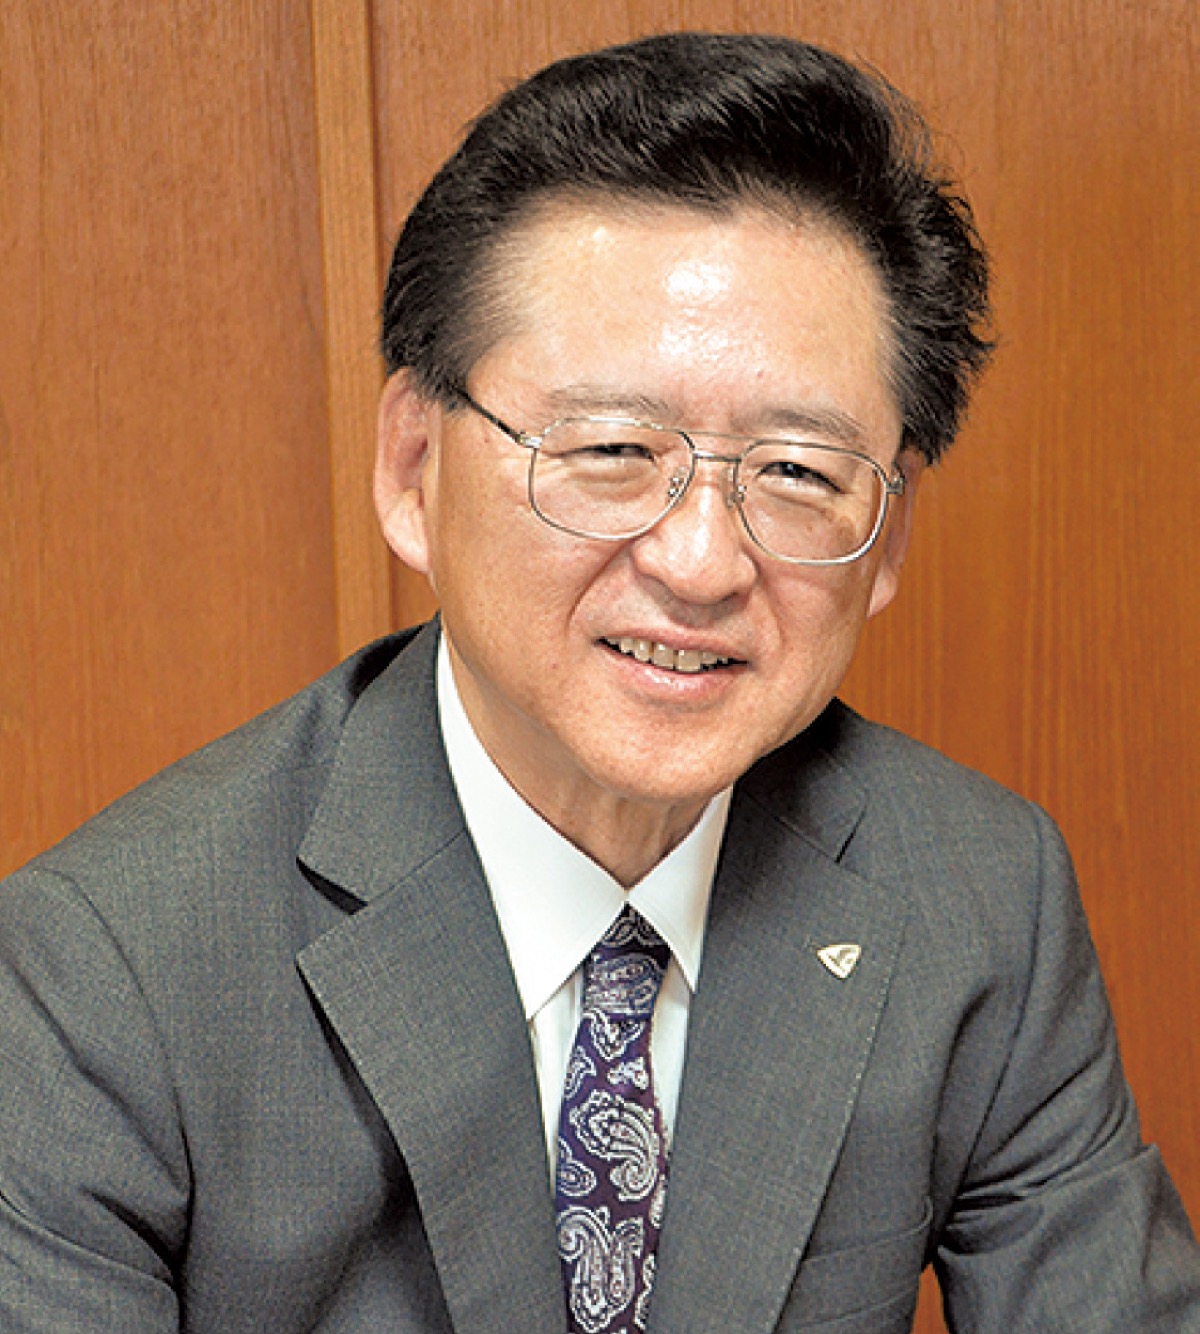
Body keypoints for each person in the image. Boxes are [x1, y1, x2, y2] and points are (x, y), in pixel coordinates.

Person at [1, 31, 1197, 1334]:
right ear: (413, 468)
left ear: (888, 534)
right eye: (614, 449)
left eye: (798, 471)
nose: (701, 563)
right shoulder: (105, 973)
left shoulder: (980, 897)